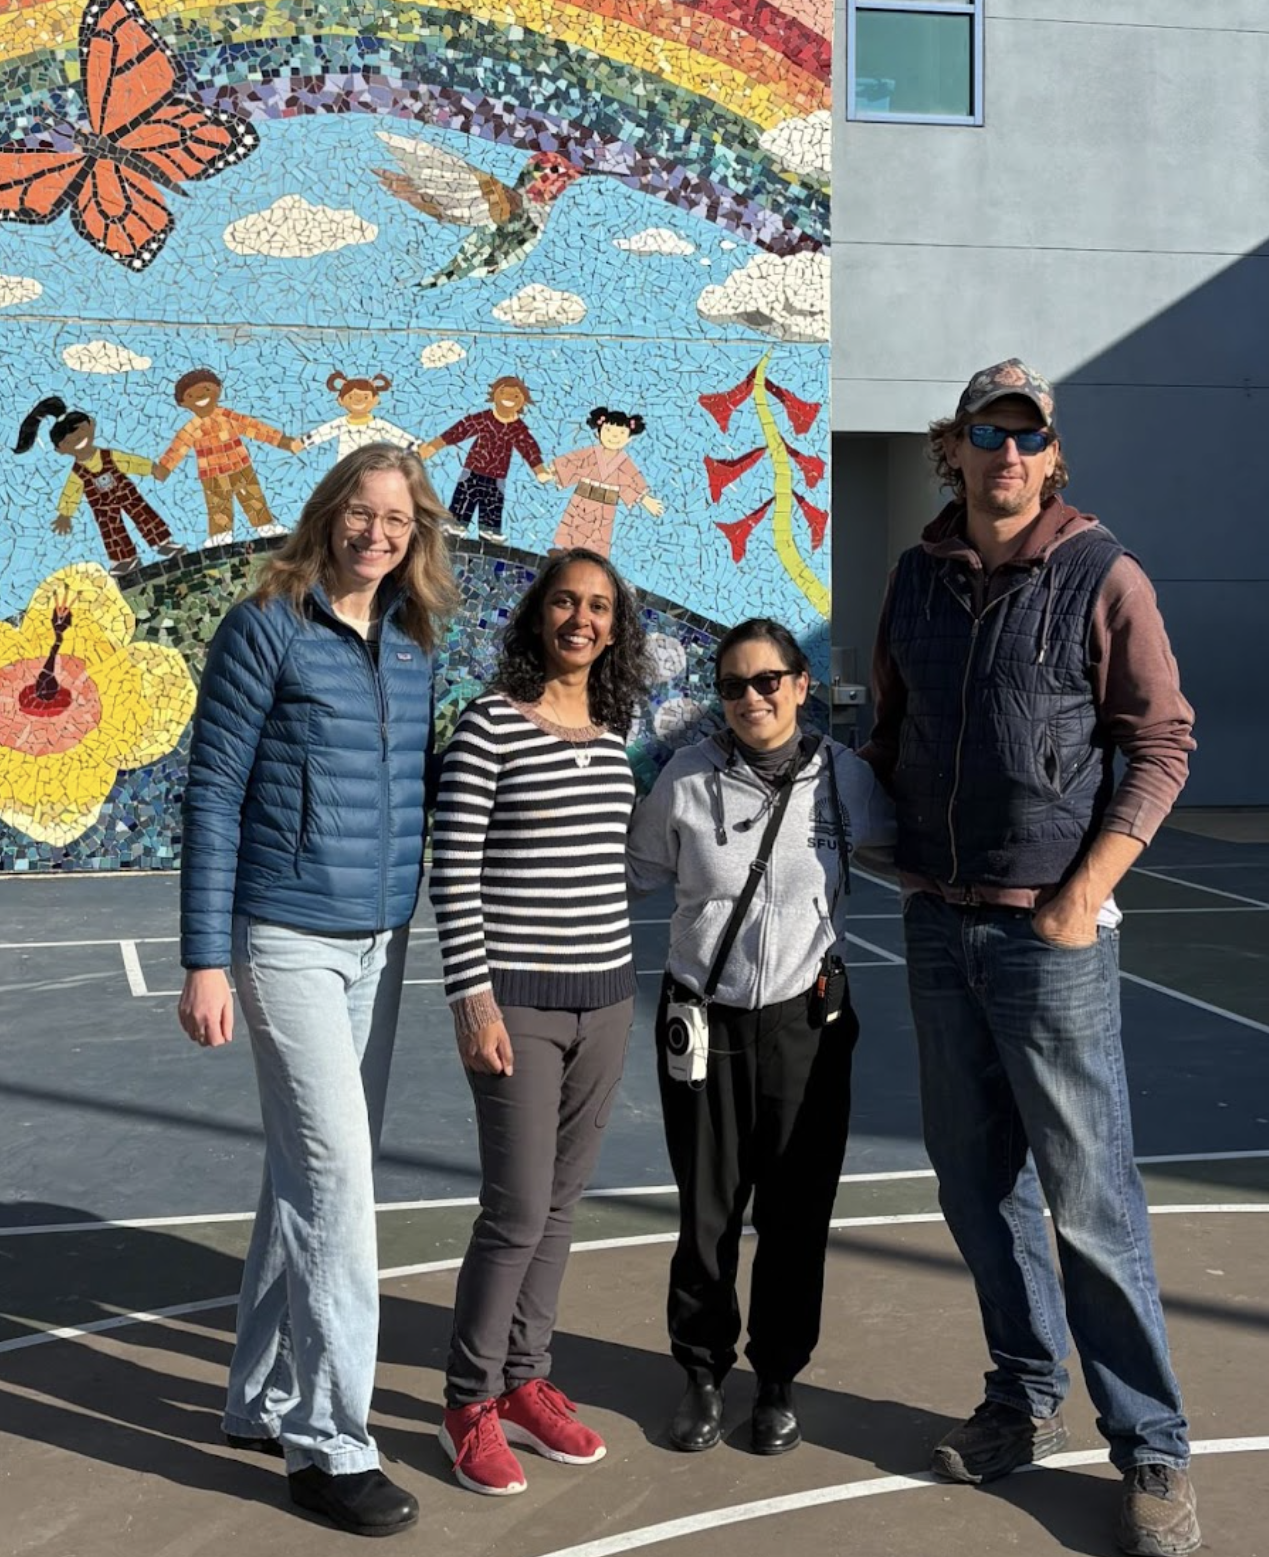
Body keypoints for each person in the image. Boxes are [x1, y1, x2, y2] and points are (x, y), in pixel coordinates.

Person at [863, 359, 1200, 1557]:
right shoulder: (916, 577)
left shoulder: (1102, 574)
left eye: (1027, 435)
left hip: (1047, 933)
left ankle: (1153, 1447)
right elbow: (889, 730)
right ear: (950, 449)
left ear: (1054, 455)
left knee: (1091, 1202)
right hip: (938, 924)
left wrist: (1082, 898)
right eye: (986, 434)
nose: (1006, 453)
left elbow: (1161, 743)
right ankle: (1022, 1398)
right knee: (978, 1188)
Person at [178, 444, 459, 1540]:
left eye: (397, 518)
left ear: (416, 533)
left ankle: (255, 1398)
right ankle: (330, 1443)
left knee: (304, 1174)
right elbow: (212, 792)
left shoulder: (414, 643)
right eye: (360, 510)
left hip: (378, 942)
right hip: (284, 937)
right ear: (327, 514)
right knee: (340, 1191)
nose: (377, 532)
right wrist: (206, 956)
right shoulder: (266, 628)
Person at [628, 618, 893, 1458]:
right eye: (735, 686)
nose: (752, 699)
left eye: (768, 681)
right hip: (703, 1018)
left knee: (796, 1211)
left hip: (808, 1021)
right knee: (708, 1210)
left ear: (802, 684)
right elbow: (636, 869)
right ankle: (702, 1373)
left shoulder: (849, 782)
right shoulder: (686, 779)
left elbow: (901, 852)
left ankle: (776, 1380)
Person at [429, 549, 650, 1498]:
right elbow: (456, 871)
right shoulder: (488, 725)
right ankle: (467, 1402)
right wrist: (472, 999)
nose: (582, 619)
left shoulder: (613, 730)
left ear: (614, 627)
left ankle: (527, 1381)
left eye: (599, 607)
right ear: (537, 617)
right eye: (566, 601)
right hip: (516, 1003)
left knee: (560, 1208)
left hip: (607, 1000)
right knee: (515, 1209)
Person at [13, 394, 182, 574]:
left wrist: (153, 469)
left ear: (91, 425)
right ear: (60, 450)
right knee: (110, 528)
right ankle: (124, 560)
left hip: (127, 494)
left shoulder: (110, 456)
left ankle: (164, 542)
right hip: (103, 507)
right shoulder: (77, 474)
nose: (78, 441)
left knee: (143, 514)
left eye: (80, 433)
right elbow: (72, 492)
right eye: (69, 441)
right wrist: (65, 514)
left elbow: (131, 462)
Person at [154, 368, 292, 546]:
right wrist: (164, 468)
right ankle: (221, 536)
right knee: (218, 505)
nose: (200, 396)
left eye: (206, 389)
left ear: (218, 389)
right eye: (191, 395)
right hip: (212, 474)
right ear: (183, 403)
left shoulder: (228, 417)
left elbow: (255, 428)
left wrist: (282, 441)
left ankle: (265, 526)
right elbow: (178, 448)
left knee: (253, 497)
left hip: (240, 466)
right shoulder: (192, 428)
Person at [420, 375, 552, 543]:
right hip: (473, 470)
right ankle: (455, 524)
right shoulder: (484, 418)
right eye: (504, 392)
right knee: (464, 497)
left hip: (497, 476)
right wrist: (433, 446)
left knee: (493, 503)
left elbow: (529, 447)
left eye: (516, 396)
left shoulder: (518, 429)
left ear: (523, 402)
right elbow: (460, 430)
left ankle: (489, 530)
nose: (509, 398)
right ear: (495, 394)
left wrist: (539, 469)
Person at [550, 406, 663, 556]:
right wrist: (552, 472)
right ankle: (565, 553)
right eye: (608, 430)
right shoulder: (590, 453)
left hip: (605, 505)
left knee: (598, 536)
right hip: (582, 499)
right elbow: (574, 464)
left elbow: (630, 482)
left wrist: (644, 499)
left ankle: (591, 561)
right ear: (598, 433)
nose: (614, 436)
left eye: (621, 433)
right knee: (574, 528)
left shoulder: (624, 463)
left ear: (629, 438)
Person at [296, 371, 418, 464]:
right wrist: (297, 443)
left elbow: (401, 438)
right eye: (352, 397)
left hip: (373, 468)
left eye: (365, 397)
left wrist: (424, 446)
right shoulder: (341, 423)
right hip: (346, 470)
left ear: (375, 400)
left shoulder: (379, 425)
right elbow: (319, 434)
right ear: (341, 401)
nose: (358, 401)